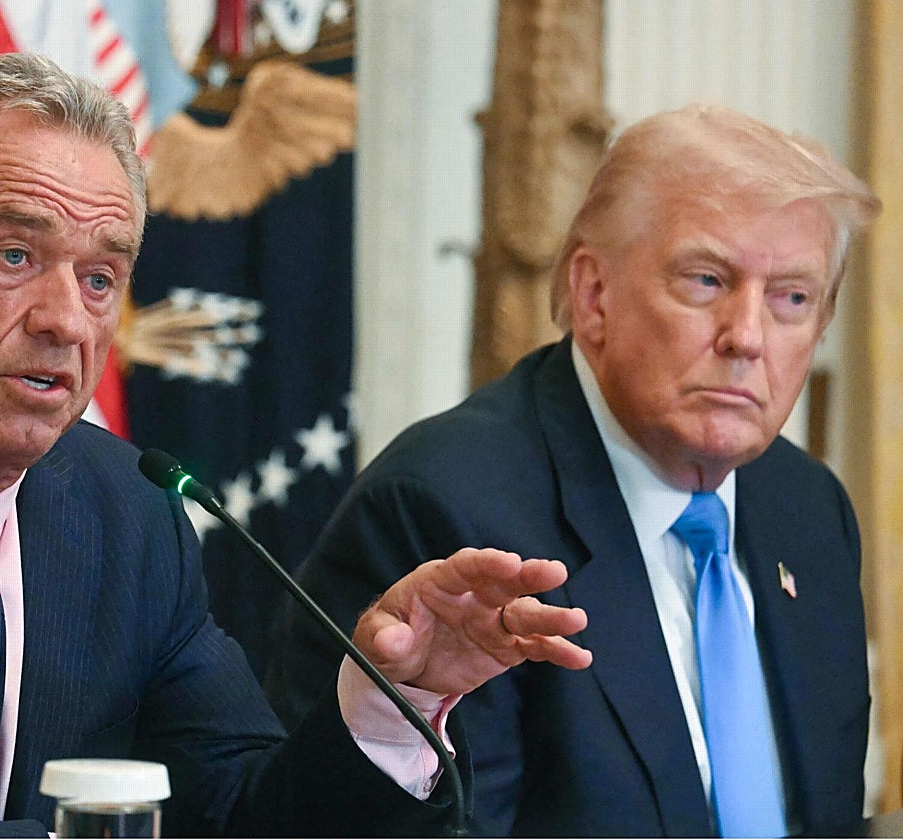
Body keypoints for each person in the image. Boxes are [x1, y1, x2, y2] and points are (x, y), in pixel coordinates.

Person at [0, 52, 592, 837]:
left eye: (100, 279)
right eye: (15, 256)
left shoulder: (130, 512)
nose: (65, 322)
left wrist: (393, 713)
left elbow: (240, 819)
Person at [264, 103, 882, 837]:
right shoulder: (446, 512)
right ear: (594, 295)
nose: (747, 337)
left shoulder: (808, 510)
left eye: (792, 298)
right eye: (707, 280)